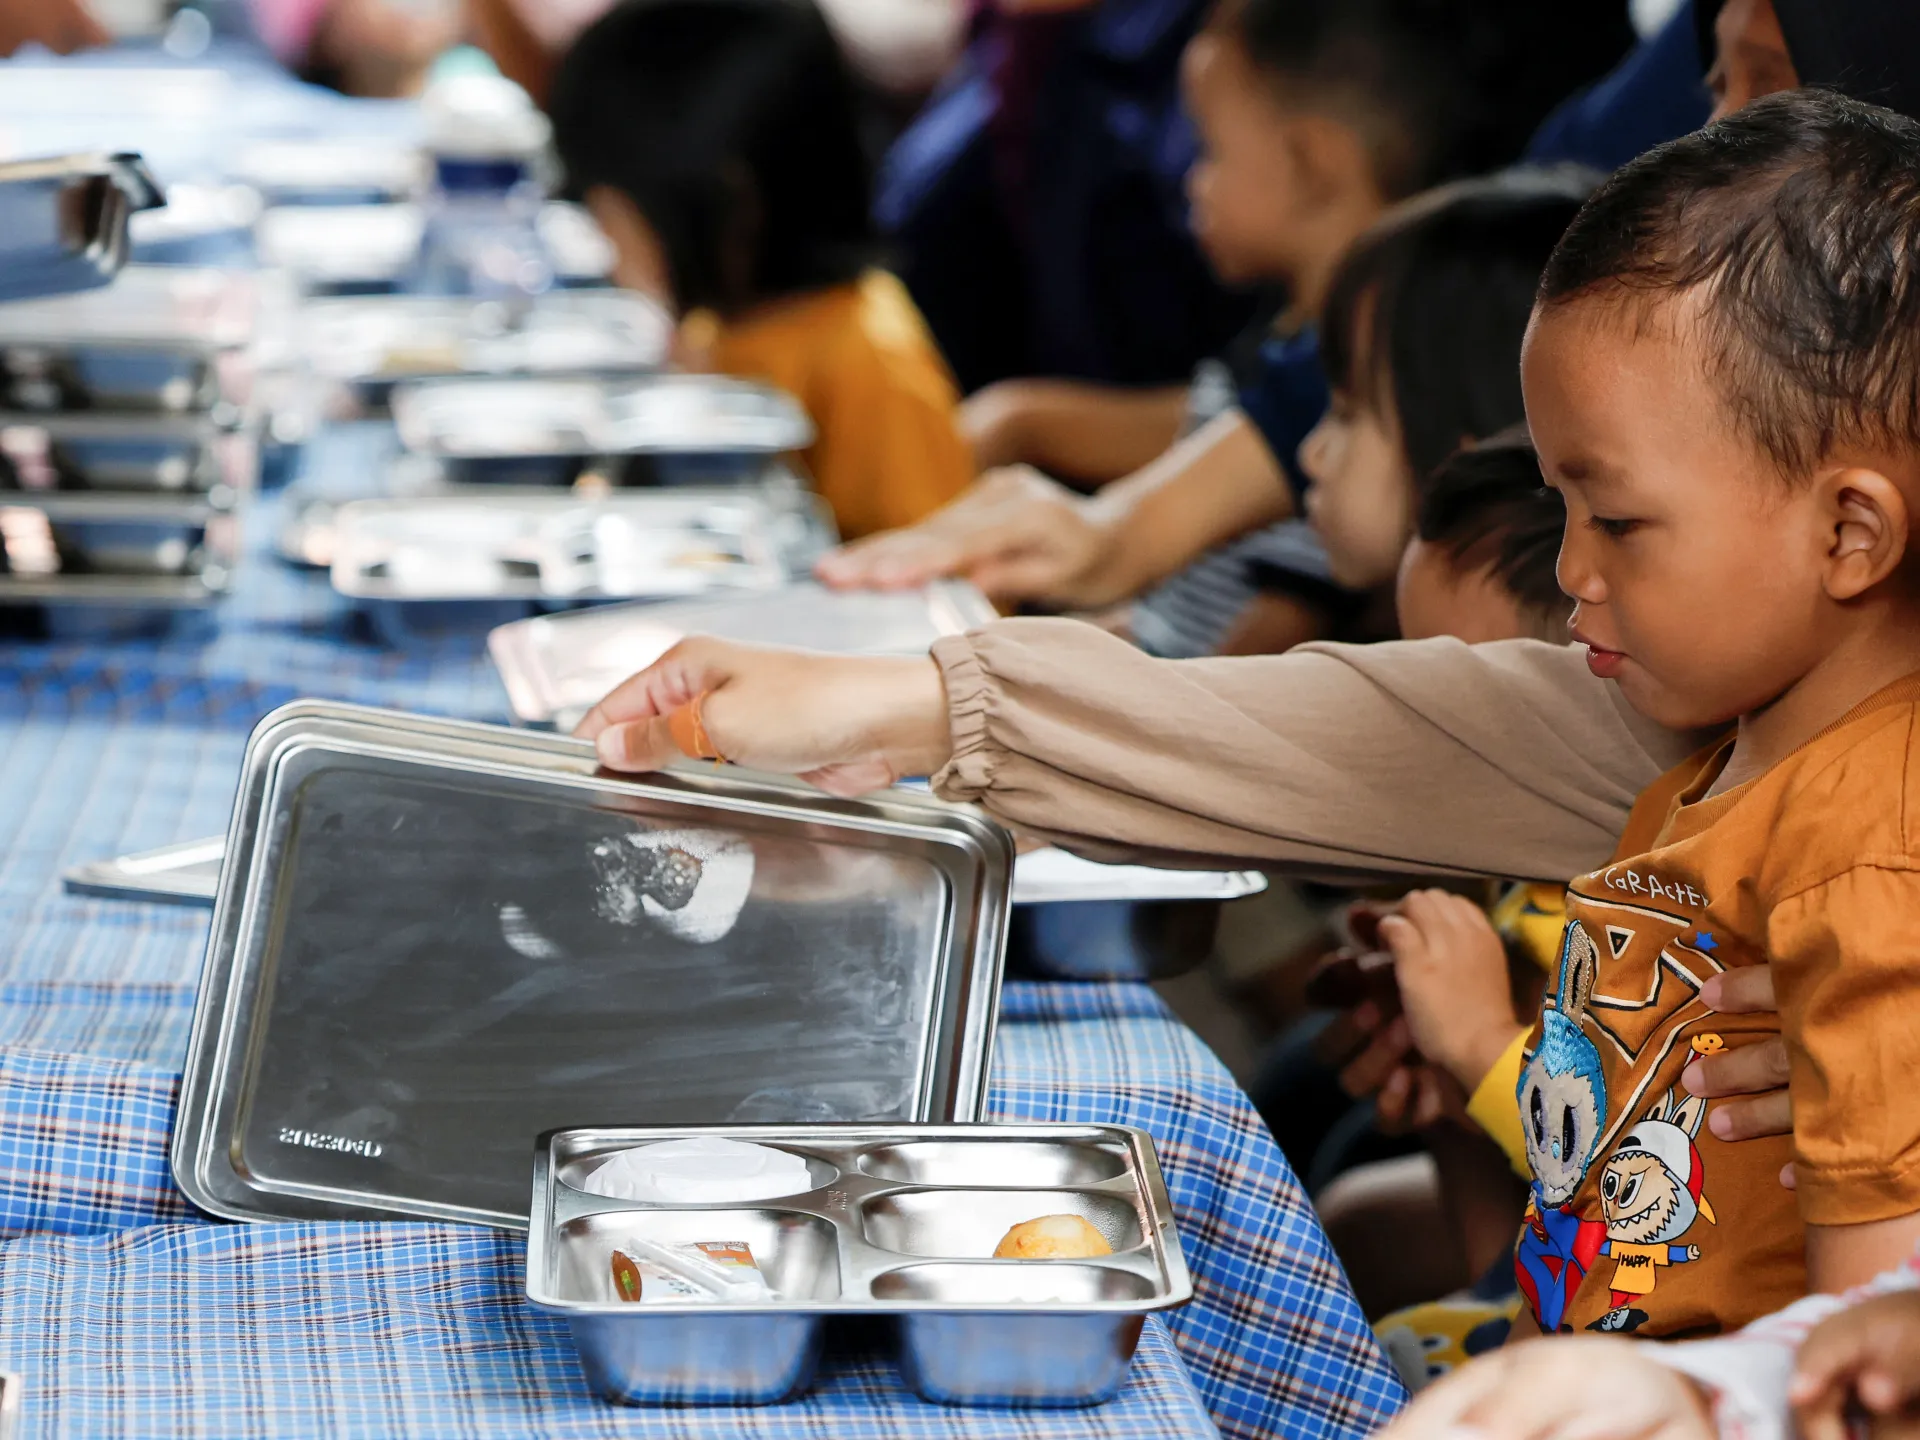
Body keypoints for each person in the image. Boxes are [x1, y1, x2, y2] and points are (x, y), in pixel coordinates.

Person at [583, 88, 1920, 1342]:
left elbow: (1857, 1364)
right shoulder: (1733, 736)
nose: (1571, 570)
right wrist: (917, 707)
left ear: (1852, 533)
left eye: (1617, 521)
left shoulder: (1862, 860)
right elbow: (1398, 732)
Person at [543, 0, 974, 540]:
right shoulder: (723, 321)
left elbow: (941, 564)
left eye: (613, 215)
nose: (606, 244)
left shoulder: (868, 361)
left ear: (729, 204)